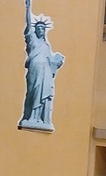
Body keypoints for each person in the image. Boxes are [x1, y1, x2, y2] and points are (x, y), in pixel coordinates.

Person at [19, 0, 65, 130]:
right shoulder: (32, 39)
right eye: (38, 28)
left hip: (45, 71)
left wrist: (57, 62)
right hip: (35, 68)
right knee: (34, 91)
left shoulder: (46, 45)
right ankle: (30, 117)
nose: (40, 30)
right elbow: (28, 25)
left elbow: (51, 61)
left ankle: (38, 118)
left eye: (42, 28)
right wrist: (28, 9)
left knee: (43, 93)